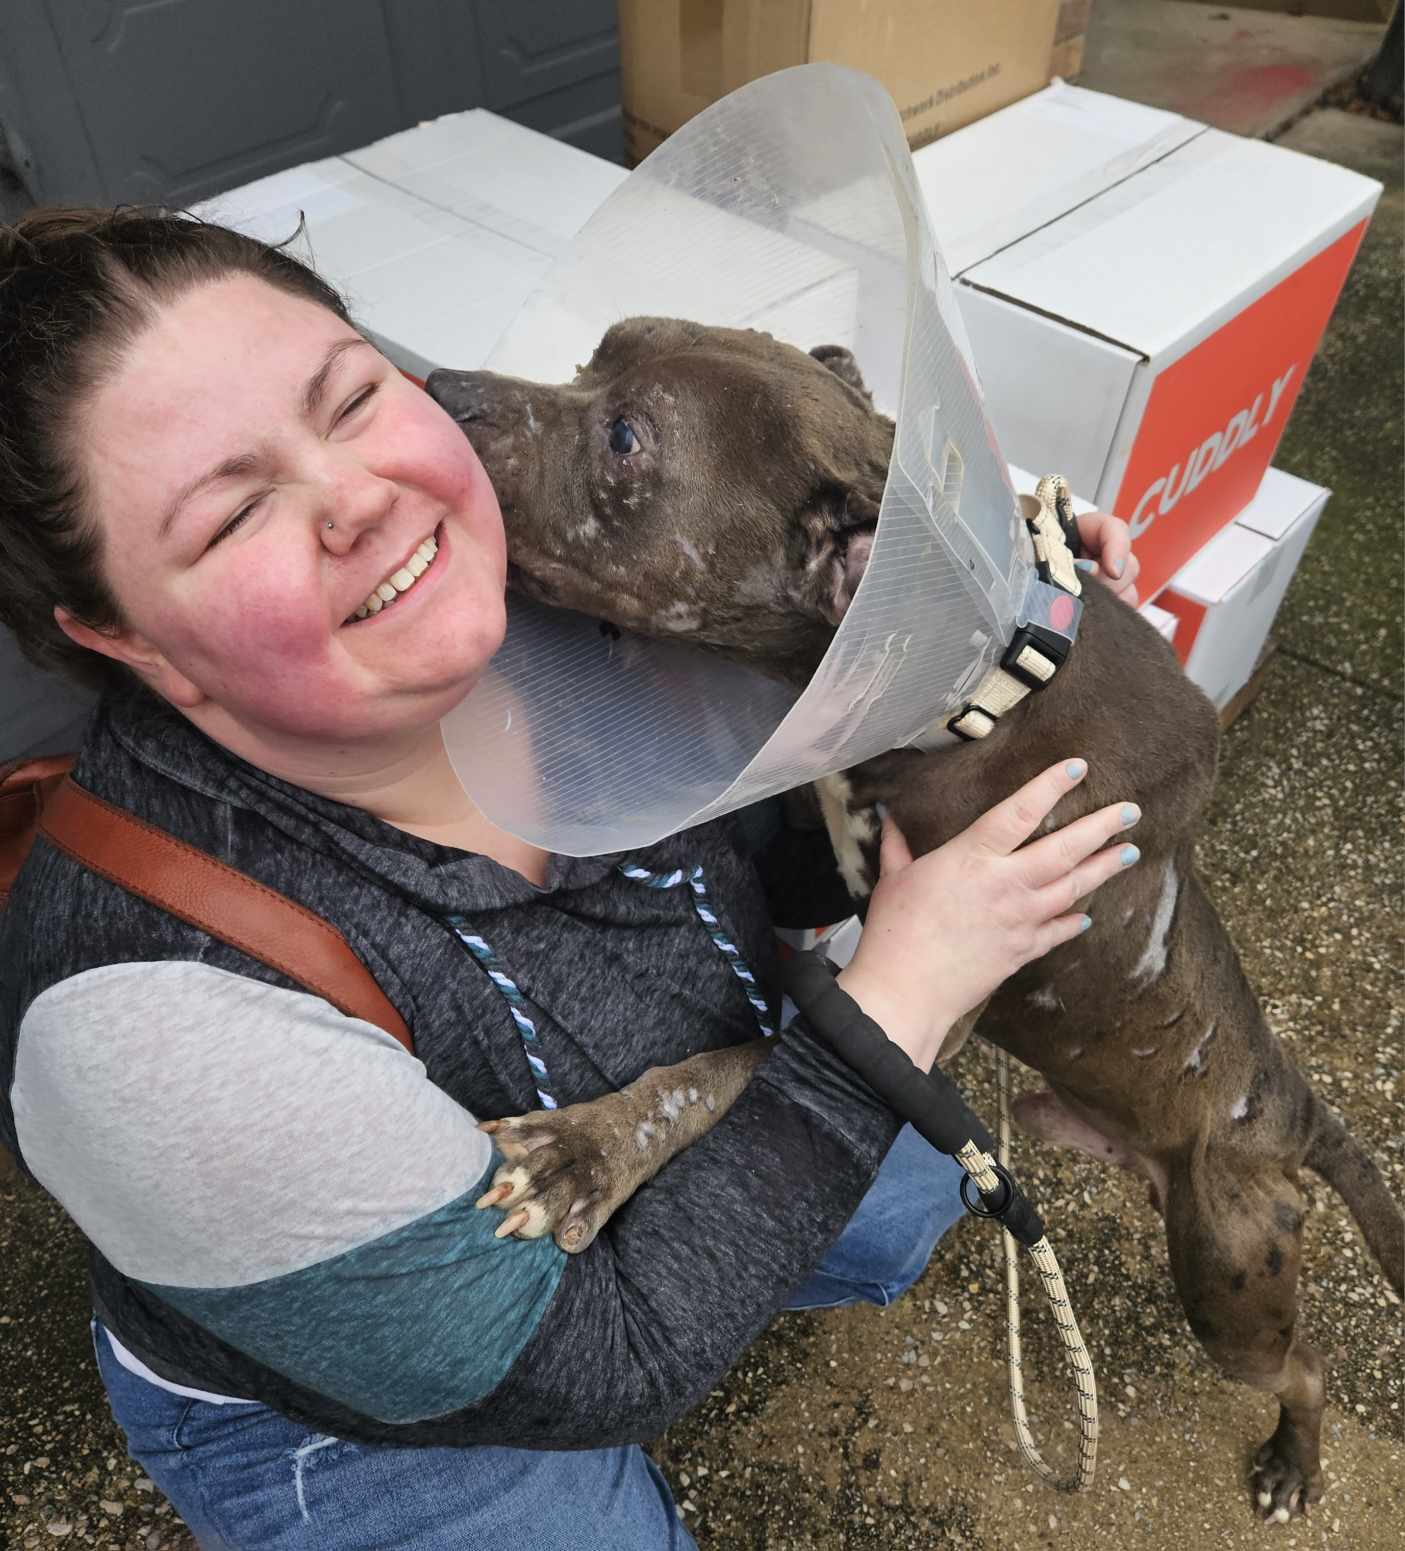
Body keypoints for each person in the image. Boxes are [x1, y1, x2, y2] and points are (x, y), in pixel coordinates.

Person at [0, 206, 1143, 1550]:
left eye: (354, 394)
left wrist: (962, 643)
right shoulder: (155, 1031)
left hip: (637, 1108)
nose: (365, 496)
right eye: (238, 510)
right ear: (124, 635)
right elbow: (601, 1361)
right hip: (359, 1406)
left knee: (913, 1181)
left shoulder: (553, 580)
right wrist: (894, 1001)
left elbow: (796, 866)